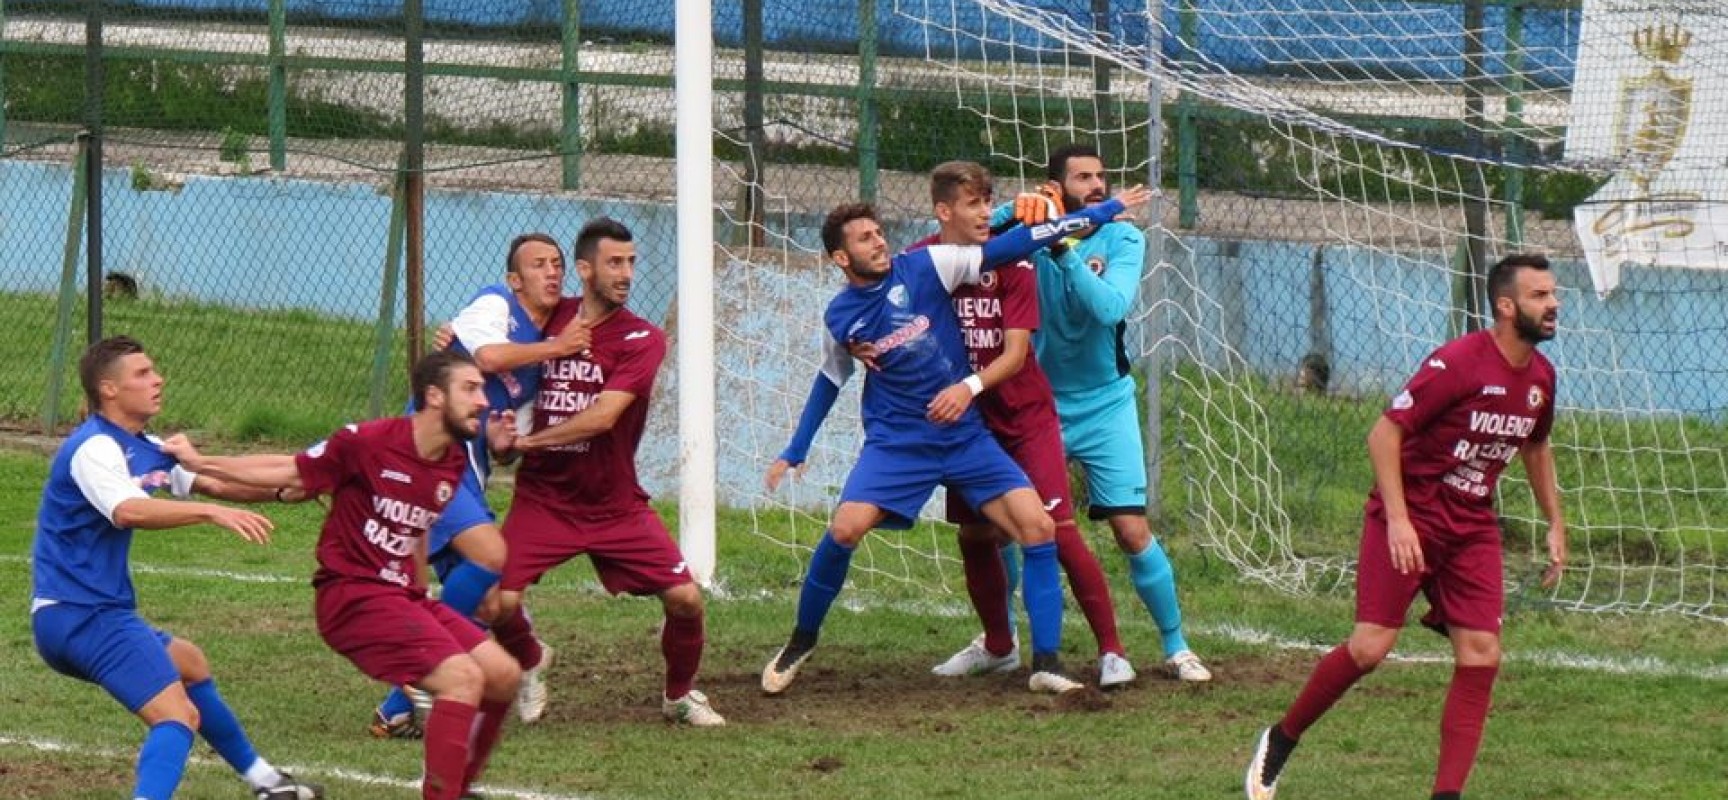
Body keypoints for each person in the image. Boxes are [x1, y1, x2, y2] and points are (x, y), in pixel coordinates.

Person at [761, 186, 1149, 696]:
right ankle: (801, 640)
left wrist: (1100, 212)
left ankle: (1047, 663)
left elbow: (1009, 245)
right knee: (846, 529)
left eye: (879, 233)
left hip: (966, 436)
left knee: (1038, 527)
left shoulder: (925, 265)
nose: (879, 243)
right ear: (841, 257)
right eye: (865, 238)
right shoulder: (841, 316)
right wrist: (797, 447)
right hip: (900, 442)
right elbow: (830, 379)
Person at [1244, 254, 1567, 800]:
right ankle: (1281, 738)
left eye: (1553, 293)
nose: (1554, 304)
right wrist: (1398, 521)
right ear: (1506, 307)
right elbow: (1383, 434)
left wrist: (1555, 522)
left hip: (1470, 526)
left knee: (1482, 654)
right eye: (1540, 296)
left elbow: (1536, 446)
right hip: (1410, 516)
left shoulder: (1541, 378)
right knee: (1370, 648)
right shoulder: (1459, 363)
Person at [165, 350, 523, 800]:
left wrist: (419, 591)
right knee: (463, 679)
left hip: (402, 598)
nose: (483, 401)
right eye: (470, 389)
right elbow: (289, 469)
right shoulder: (366, 442)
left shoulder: (450, 461)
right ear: (434, 396)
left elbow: (417, 531)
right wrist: (202, 464)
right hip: (352, 597)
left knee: (504, 674)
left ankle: (454, 788)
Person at [29, 335, 322, 800]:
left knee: (189, 662)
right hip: (80, 615)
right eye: (143, 374)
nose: (158, 379)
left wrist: (285, 491)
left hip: (92, 613)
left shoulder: (146, 446)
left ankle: (267, 783)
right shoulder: (95, 448)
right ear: (108, 389)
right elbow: (128, 510)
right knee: (177, 716)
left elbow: (217, 483)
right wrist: (210, 514)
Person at [902, 161, 1136, 688]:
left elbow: (1015, 354)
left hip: (1023, 413)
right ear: (945, 211)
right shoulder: (924, 261)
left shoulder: (1015, 261)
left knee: (1058, 531)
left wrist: (1094, 208)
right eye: (975, 204)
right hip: (969, 422)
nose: (987, 213)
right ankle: (999, 646)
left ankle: (1111, 651)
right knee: (975, 535)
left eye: (991, 202)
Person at [492, 217, 725, 727]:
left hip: (612, 502)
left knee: (685, 599)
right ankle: (531, 661)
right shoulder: (551, 318)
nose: (626, 273)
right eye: (614, 263)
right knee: (497, 599)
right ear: (584, 269)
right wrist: (458, 339)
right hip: (544, 498)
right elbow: (493, 344)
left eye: (631, 263)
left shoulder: (642, 337)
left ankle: (679, 695)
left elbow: (603, 417)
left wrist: (526, 442)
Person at [368, 233, 590, 738]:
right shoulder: (494, 304)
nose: (551, 273)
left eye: (557, 264)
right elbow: (486, 357)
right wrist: (561, 344)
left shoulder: (537, 360)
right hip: (432, 458)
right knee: (489, 563)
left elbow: (503, 442)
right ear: (515, 279)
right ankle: (415, 683)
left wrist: (506, 440)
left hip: (467, 470)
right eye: (538, 265)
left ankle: (510, 663)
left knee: (487, 600)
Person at [1011, 142, 1212, 682]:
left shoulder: (1124, 236)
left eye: (1100, 176)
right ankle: (1002, 639)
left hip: (1105, 403)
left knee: (1130, 528)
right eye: (1082, 178)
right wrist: (1024, 209)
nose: (1097, 186)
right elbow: (982, 237)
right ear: (1056, 186)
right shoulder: (1027, 235)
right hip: (1039, 405)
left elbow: (1109, 308)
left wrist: (1062, 250)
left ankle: (1176, 646)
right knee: (1015, 524)